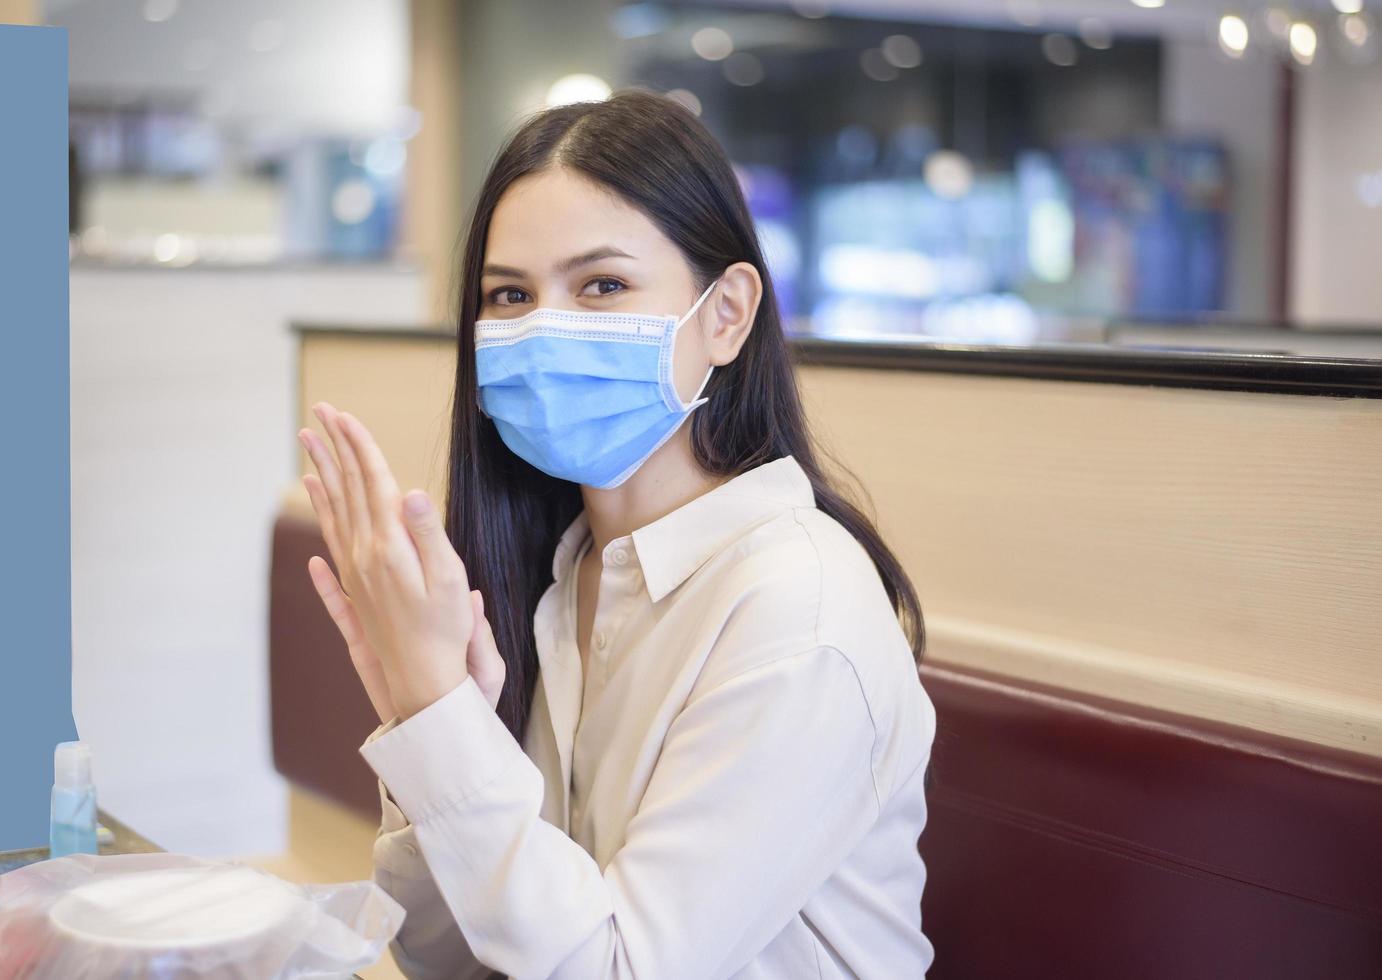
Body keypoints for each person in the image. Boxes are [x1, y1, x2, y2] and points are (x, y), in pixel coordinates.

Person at [297, 88, 938, 979]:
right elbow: (445, 957)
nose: (544, 327)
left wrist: (438, 714)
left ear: (726, 314)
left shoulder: (798, 612)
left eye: (601, 285)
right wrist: (428, 716)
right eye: (509, 294)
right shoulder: (560, 576)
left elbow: (615, 968)